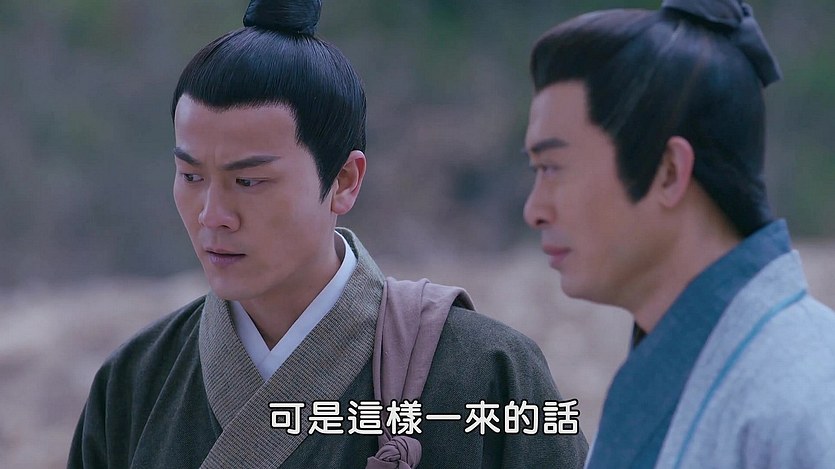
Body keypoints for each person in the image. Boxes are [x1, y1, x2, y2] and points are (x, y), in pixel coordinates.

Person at [68, 0, 588, 467]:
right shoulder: (134, 382)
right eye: (191, 176)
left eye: (249, 181)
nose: (213, 215)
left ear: (343, 180)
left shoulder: (490, 372)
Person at [522, 0, 835, 467]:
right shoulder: (685, 369)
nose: (534, 210)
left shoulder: (801, 399)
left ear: (668, 171)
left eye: (553, 167)